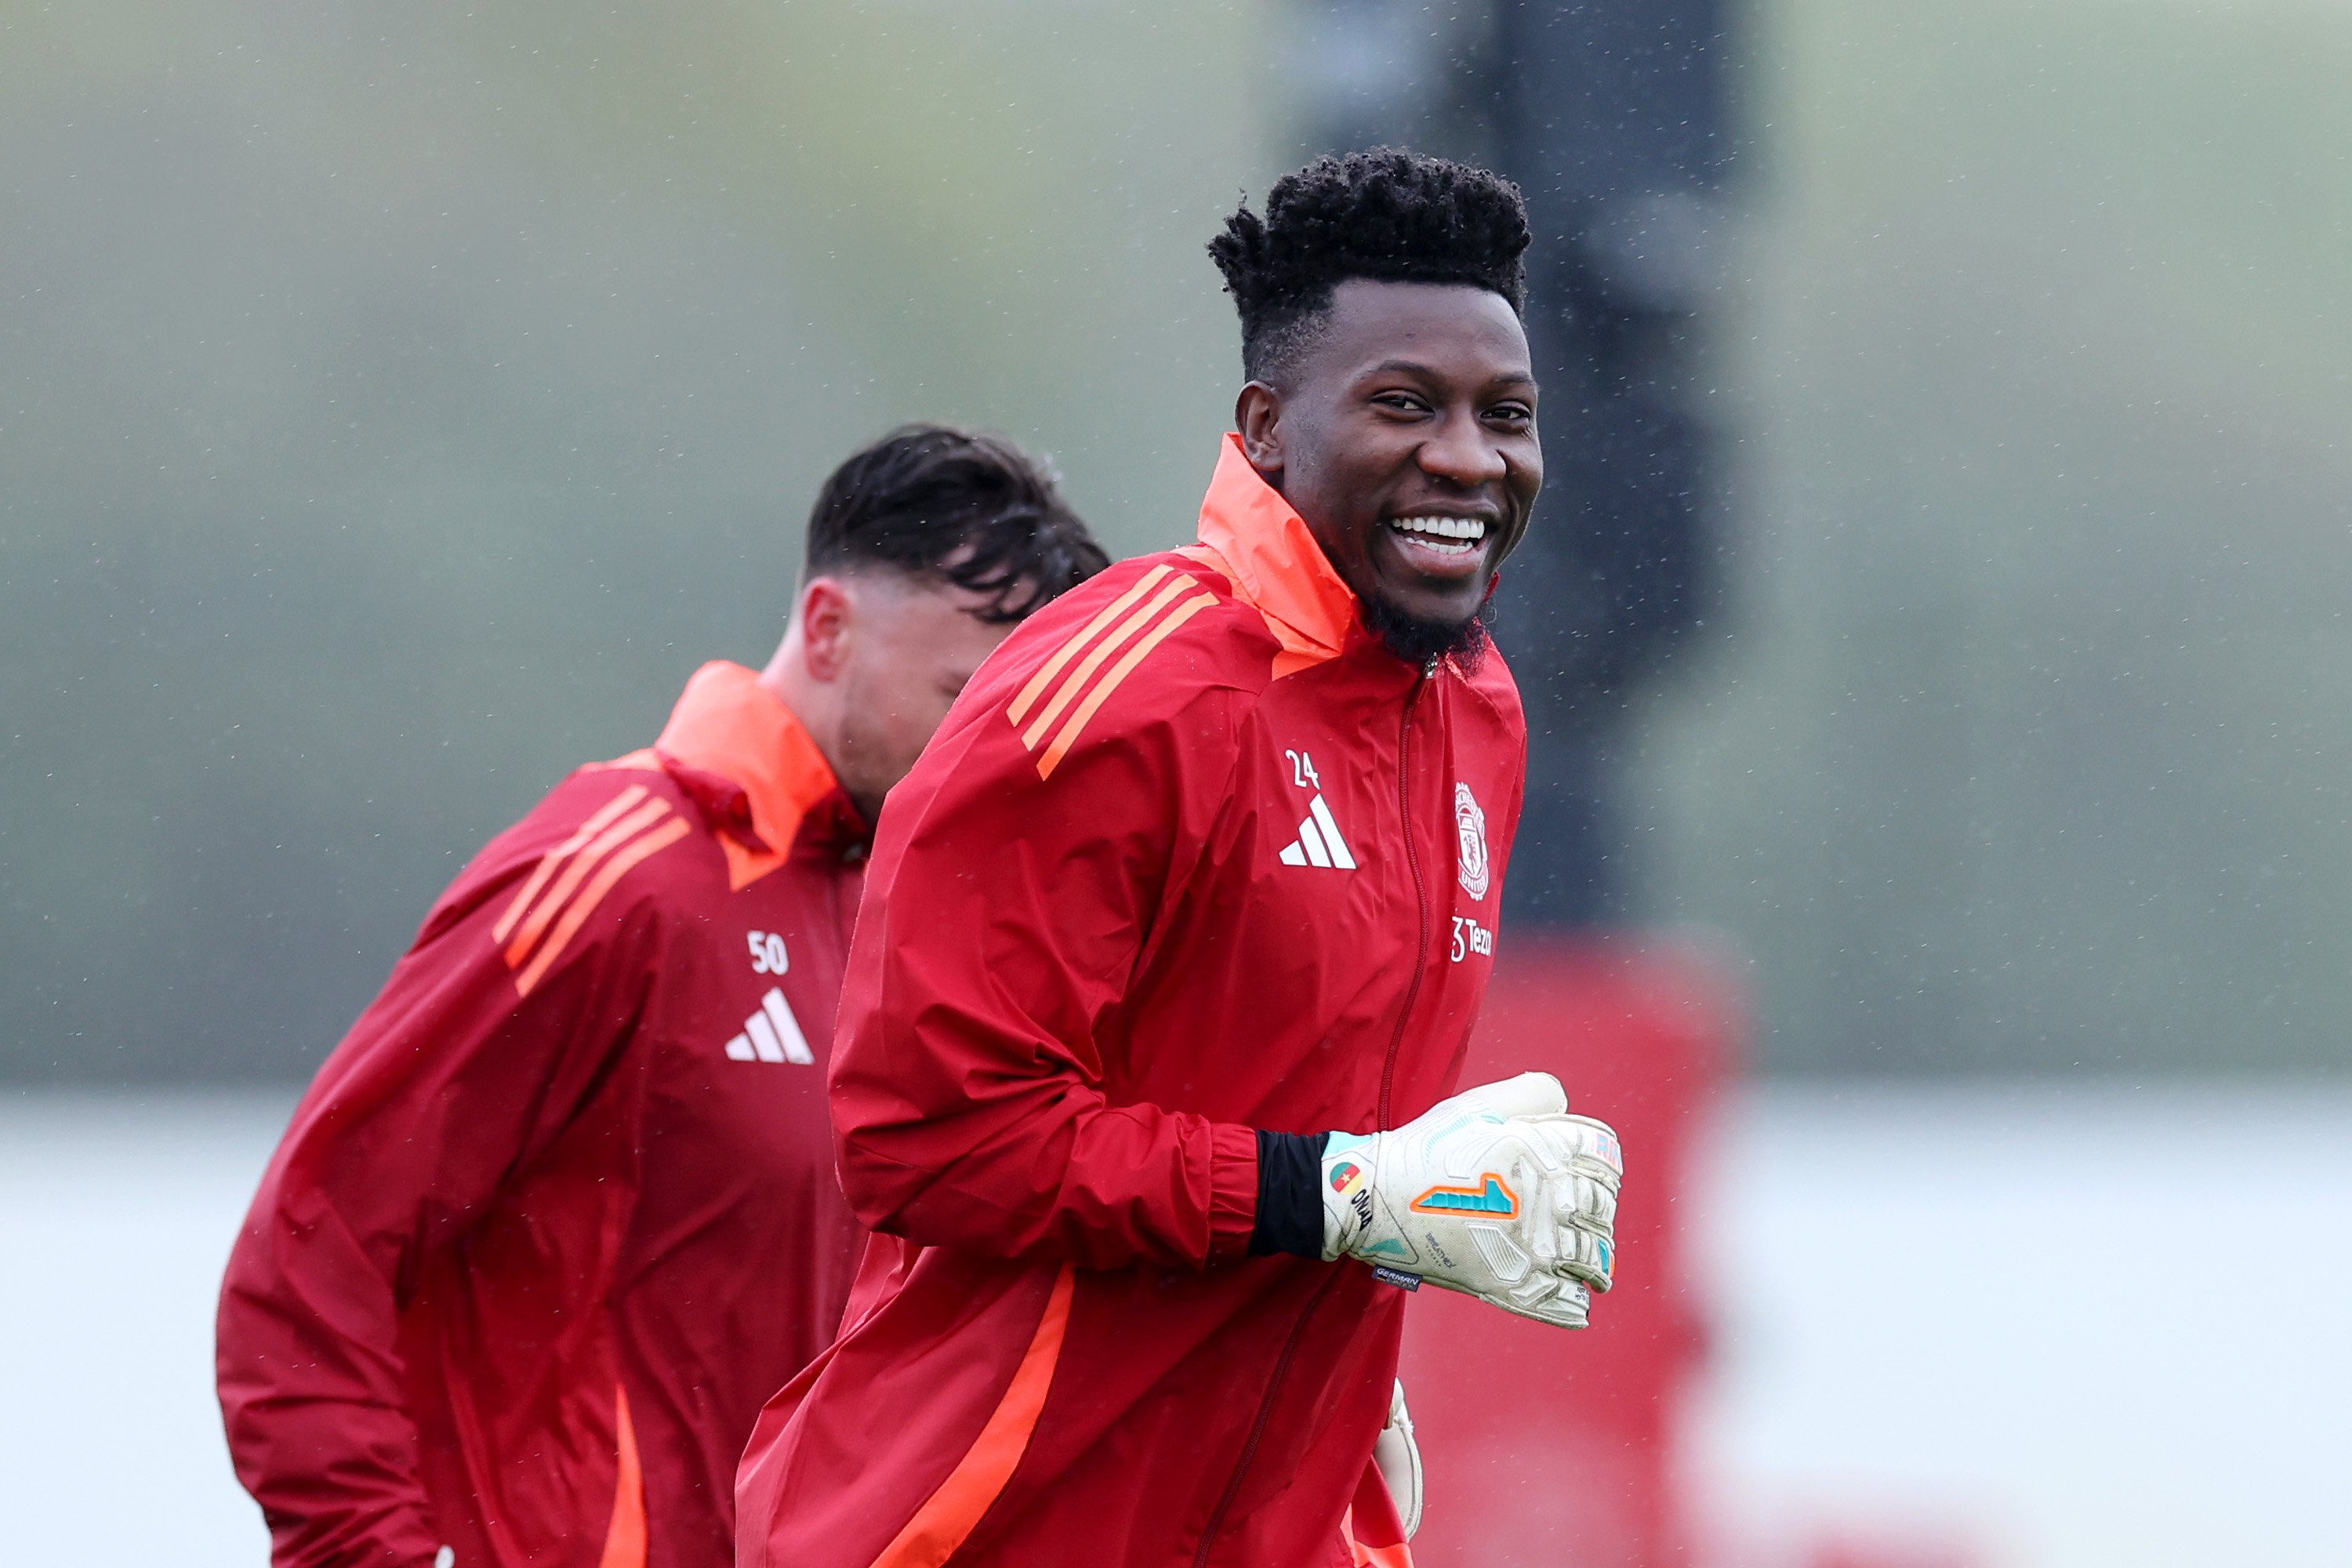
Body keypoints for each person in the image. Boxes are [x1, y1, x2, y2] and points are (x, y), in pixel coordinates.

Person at [735, 151, 1624, 1568]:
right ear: (1265, 428)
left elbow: (1305, 1127)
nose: (1468, 458)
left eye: (1505, 414)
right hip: (984, 1529)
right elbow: (930, 1138)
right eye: (1404, 404)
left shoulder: (1475, 711)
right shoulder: (1124, 691)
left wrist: (1358, 1306)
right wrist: (1343, 1201)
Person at [216, 426, 1108, 1568]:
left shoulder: (905, 907)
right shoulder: (615, 877)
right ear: (828, 629)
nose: (985, 752)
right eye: (957, 696)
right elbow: (306, 1257)